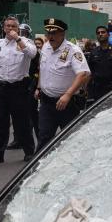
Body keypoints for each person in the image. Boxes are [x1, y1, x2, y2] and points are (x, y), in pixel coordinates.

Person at [0, 16, 37, 164]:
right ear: (4, 28)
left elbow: (32, 54)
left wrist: (18, 39)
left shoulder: (25, 42)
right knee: (0, 122)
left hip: (18, 88)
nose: (10, 29)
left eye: (13, 26)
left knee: (22, 122)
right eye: (8, 26)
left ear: (18, 28)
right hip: (1, 88)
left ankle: (29, 152)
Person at [36, 18, 91, 150]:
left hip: (66, 104)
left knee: (70, 139)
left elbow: (83, 73)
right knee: (44, 137)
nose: (50, 36)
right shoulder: (46, 47)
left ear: (62, 33)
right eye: (48, 33)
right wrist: (39, 87)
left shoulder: (73, 50)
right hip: (47, 102)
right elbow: (43, 69)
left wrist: (67, 94)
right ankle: (39, 169)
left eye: (54, 33)